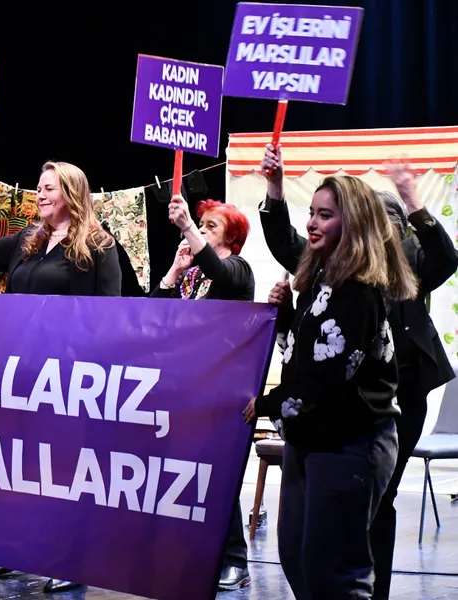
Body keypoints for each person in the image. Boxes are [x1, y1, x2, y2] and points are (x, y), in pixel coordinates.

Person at [258, 149, 458, 599]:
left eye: (328, 215)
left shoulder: (398, 267)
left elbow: (445, 257)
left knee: (370, 511)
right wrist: (274, 187)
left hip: (387, 403)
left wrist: (412, 197)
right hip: (330, 413)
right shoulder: (326, 266)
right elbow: (286, 242)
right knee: (311, 548)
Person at [0, 160, 120, 593]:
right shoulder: (29, 239)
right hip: (22, 371)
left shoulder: (98, 245)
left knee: (64, 467)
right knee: (22, 463)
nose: (39, 194)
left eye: (49, 188)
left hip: (67, 375)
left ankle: (71, 557)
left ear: (72, 194)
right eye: (39, 187)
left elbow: (108, 315)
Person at [150, 194, 254, 591]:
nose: (202, 231)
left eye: (212, 226)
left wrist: (187, 227)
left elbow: (219, 270)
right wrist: (174, 272)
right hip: (183, 386)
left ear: (232, 238)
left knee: (218, 472)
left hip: (221, 388)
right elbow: (154, 316)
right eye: (201, 224)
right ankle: (192, 553)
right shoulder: (192, 275)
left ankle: (235, 560)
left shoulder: (238, 270)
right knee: (183, 473)